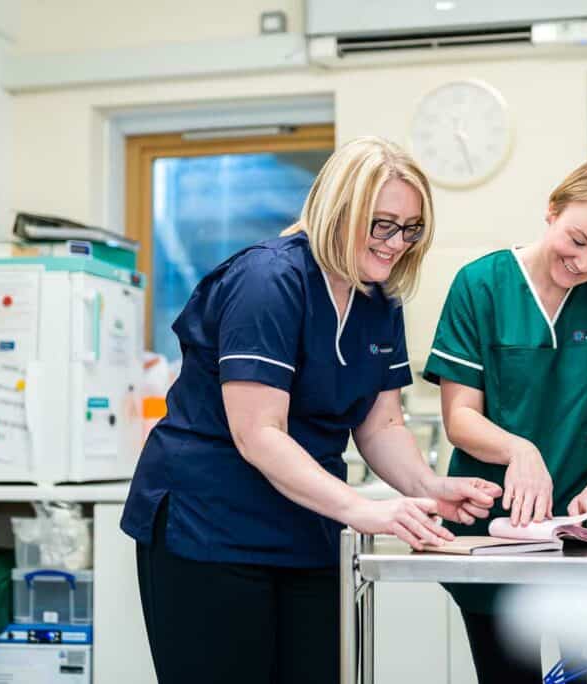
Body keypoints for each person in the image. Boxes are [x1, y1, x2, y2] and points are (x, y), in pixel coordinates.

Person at [121, 136, 502, 684]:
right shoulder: (268, 282)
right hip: (211, 525)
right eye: (383, 224)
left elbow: (382, 425)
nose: (397, 243)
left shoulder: (378, 298)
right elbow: (260, 433)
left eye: (411, 228)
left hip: (304, 526)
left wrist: (426, 486)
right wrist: (362, 509)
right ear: (336, 209)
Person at [423, 153, 587, 683]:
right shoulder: (482, 286)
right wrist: (520, 450)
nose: (586, 264)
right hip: (498, 527)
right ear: (552, 211)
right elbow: (460, 417)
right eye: (578, 240)